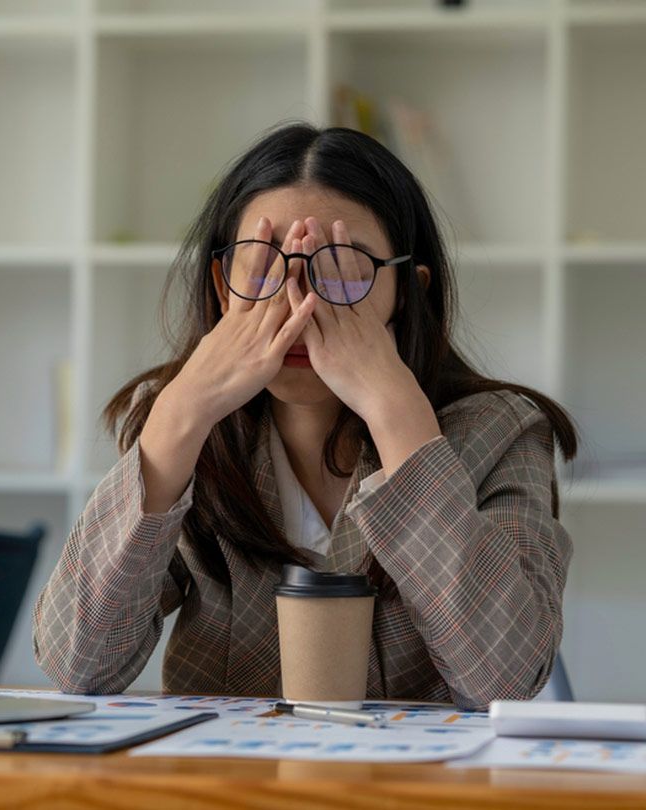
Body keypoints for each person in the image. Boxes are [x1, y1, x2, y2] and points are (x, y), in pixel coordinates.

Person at [33, 122, 578, 710]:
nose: (298, 302)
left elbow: (506, 679)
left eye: (341, 267)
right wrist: (180, 414)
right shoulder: (183, 428)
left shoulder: (502, 430)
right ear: (222, 287)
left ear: (408, 292)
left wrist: (399, 418)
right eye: (263, 264)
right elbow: (76, 665)